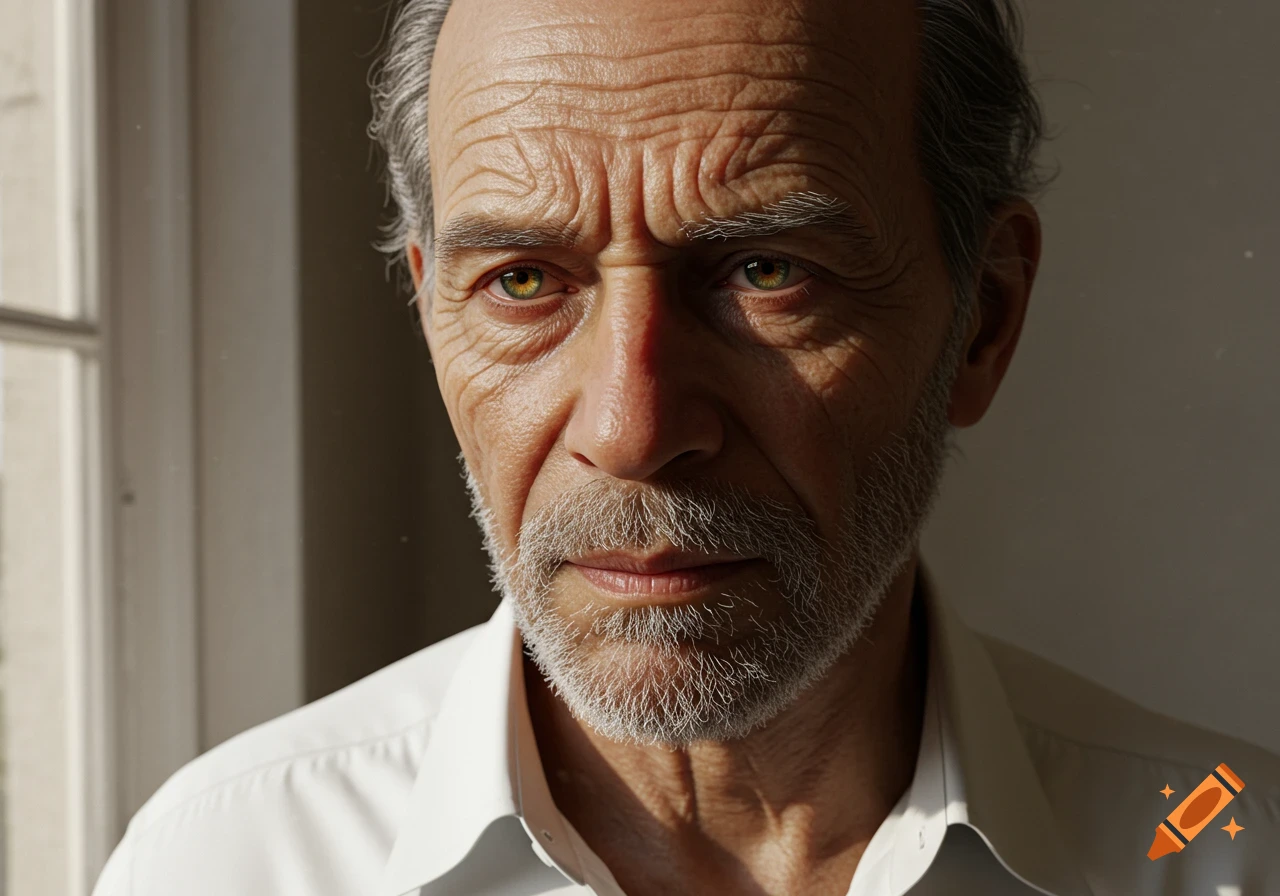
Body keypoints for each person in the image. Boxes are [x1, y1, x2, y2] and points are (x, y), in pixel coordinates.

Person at [92, 0, 1280, 894]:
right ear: (428, 308)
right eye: (520, 280)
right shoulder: (224, 861)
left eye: (765, 271)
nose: (631, 427)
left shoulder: (1229, 849)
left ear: (982, 318)